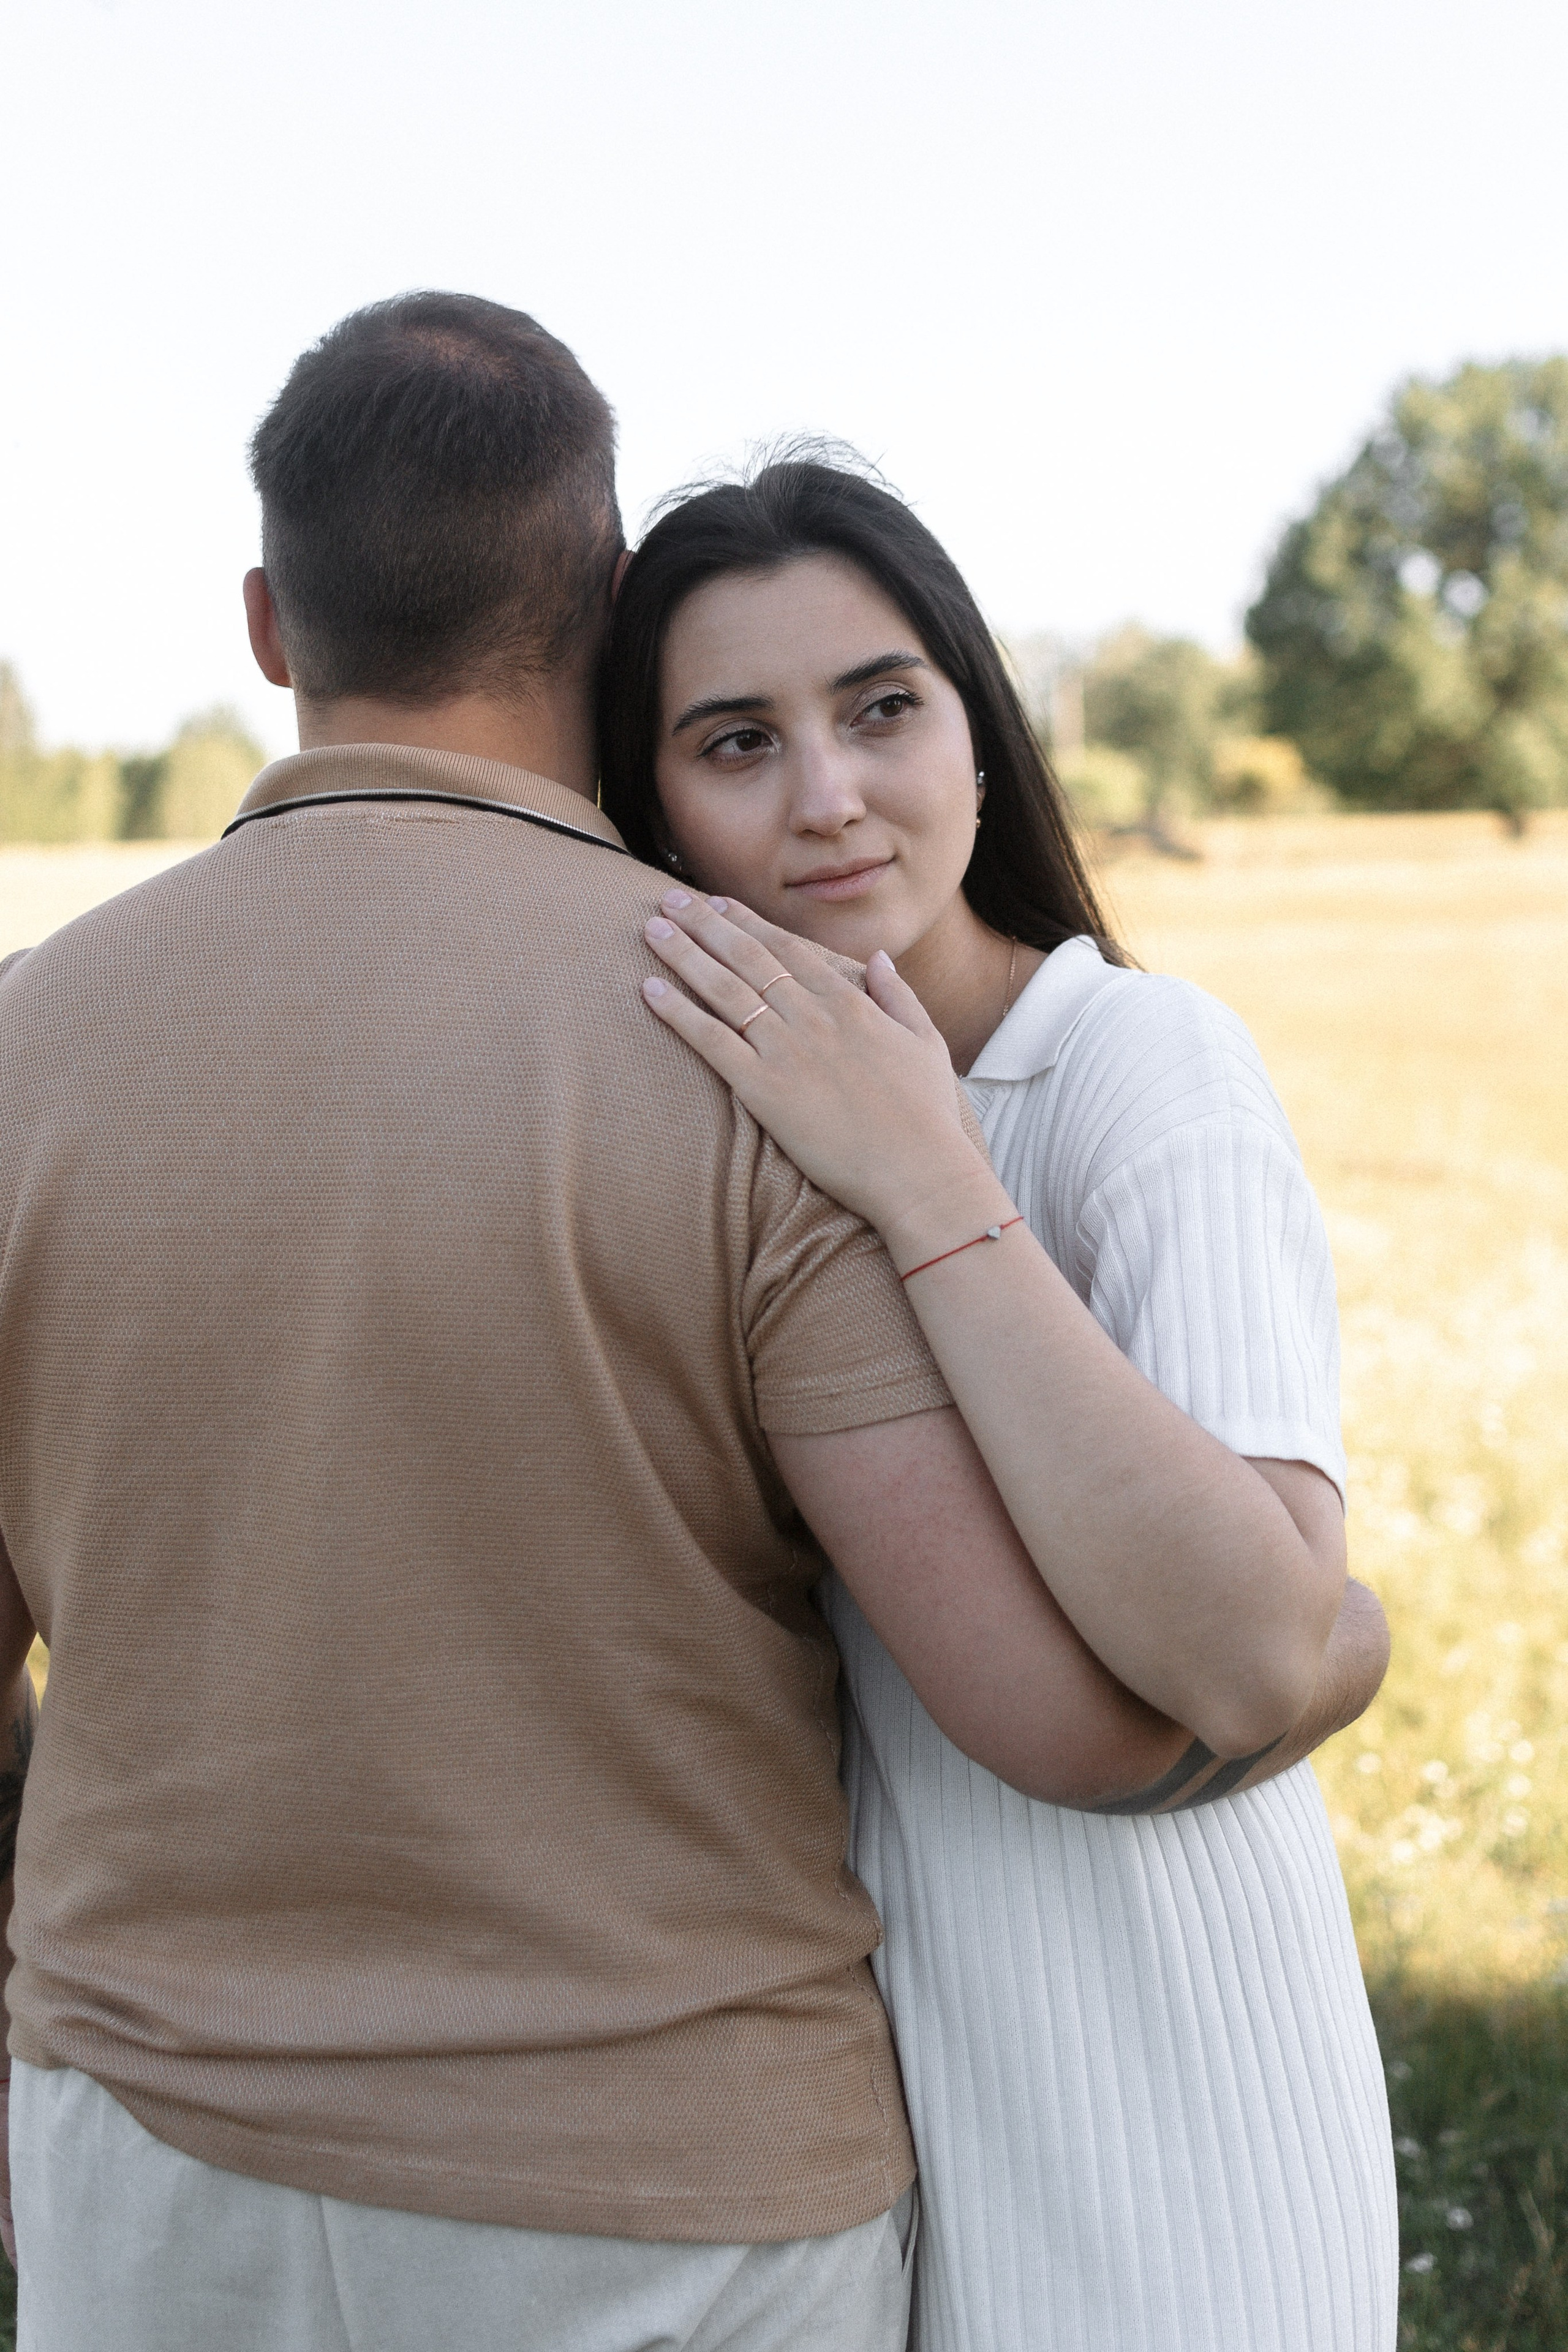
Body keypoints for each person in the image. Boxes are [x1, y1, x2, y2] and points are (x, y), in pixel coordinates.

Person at [0, 300, 1244, 2352]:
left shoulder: (26, 1040)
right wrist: (1307, 1639)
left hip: (141, 2166)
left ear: (269, 625)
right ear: (605, 601)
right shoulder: (755, 1038)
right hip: (668, 2202)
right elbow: (1062, 1722)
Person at [596, 451, 1401, 2352]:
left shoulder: (1135, 1067)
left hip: (1168, 2098)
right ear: (653, 811)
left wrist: (930, 1178)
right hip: (862, 2118)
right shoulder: (692, 1141)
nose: (827, 795)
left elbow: (1252, 1650)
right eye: (738, 742)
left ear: (977, 736)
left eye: (881, 709)